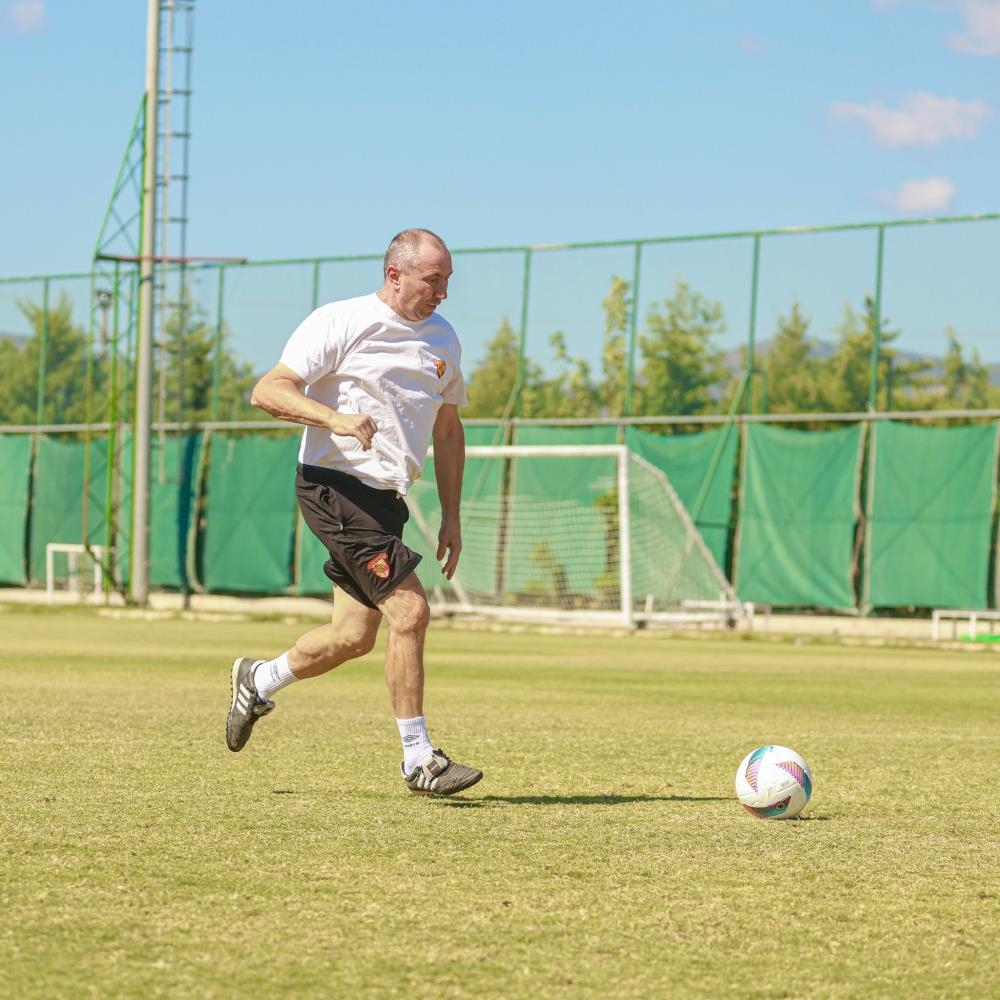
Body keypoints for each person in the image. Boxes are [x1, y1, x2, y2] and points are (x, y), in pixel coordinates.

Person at [226, 228, 482, 797]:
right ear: (395, 274)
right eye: (432, 279)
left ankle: (259, 679)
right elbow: (268, 390)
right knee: (410, 612)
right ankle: (419, 758)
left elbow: (448, 429)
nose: (442, 292)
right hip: (333, 486)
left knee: (352, 636)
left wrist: (453, 515)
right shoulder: (340, 321)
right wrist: (334, 419)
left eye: (447, 281)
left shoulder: (444, 340)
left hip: (385, 502)